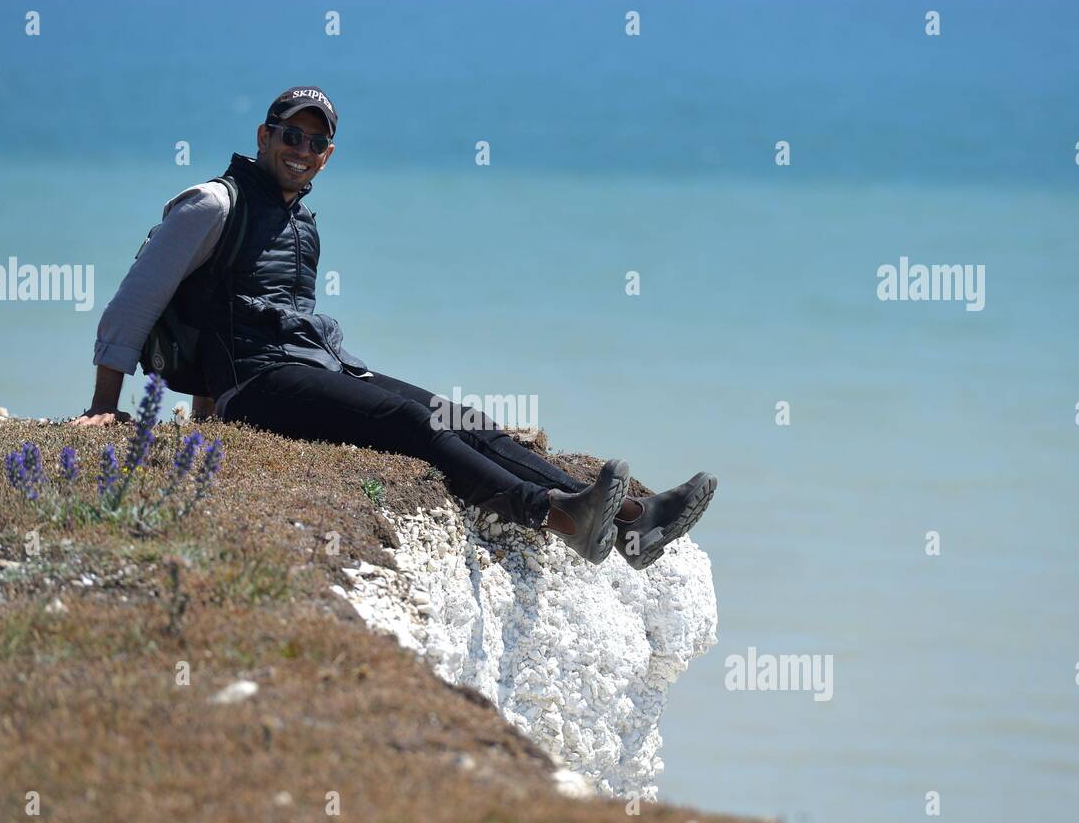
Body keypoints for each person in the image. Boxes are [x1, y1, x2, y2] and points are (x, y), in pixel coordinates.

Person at [72, 86, 715, 569]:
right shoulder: (214, 203)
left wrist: (205, 413)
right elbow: (138, 300)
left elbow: (246, 308)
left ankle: (632, 522)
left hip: (315, 367)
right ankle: (558, 517)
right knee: (410, 426)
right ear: (264, 136)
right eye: (289, 135)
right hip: (261, 385)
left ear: (329, 155)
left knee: (460, 419)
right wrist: (106, 403)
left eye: (315, 142)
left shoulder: (300, 223)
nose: (301, 150)